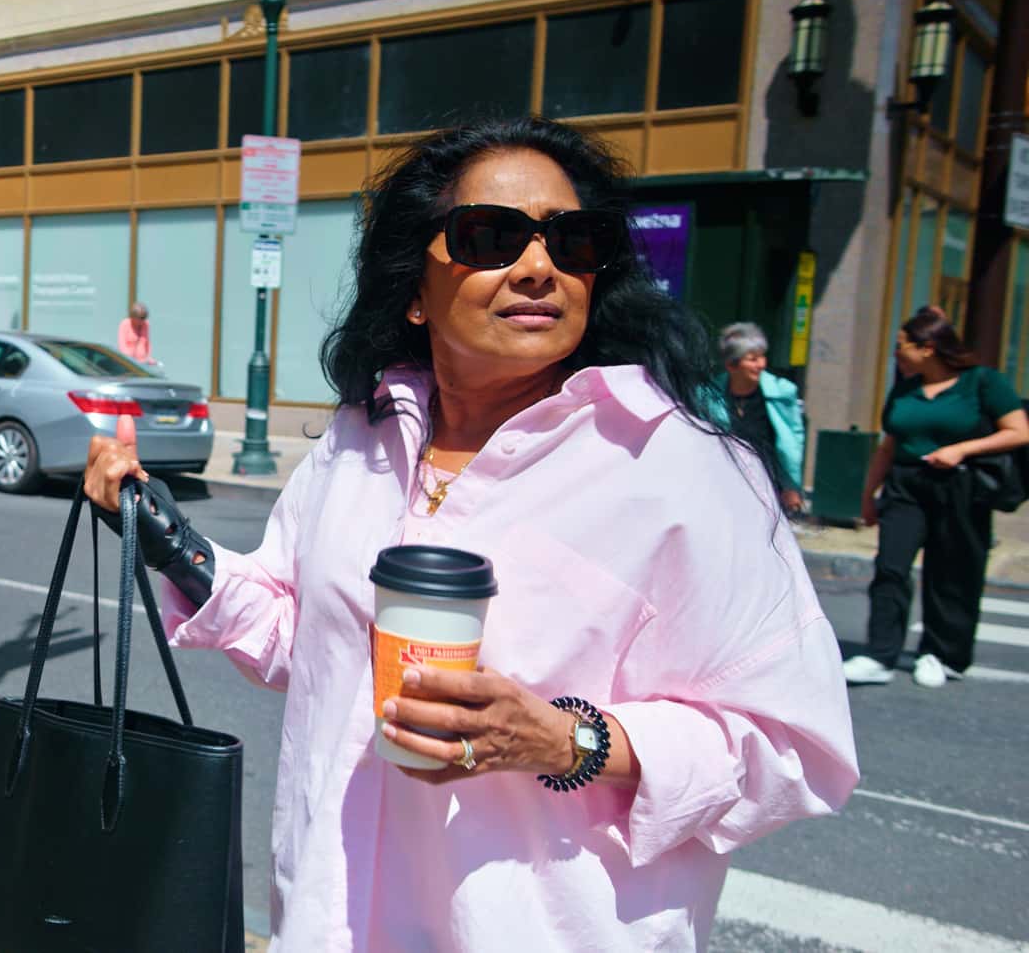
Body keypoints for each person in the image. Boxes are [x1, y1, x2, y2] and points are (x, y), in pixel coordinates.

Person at [83, 117, 857, 950]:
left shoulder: (679, 470)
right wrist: (164, 537)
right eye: (490, 236)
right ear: (414, 288)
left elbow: (794, 748)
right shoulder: (362, 442)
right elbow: (309, 644)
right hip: (333, 921)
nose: (536, 268)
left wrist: (565, 739)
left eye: (573, 242)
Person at [845, 306, 1029, 688]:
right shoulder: (905, 389)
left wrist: (962, 449)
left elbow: (1018, 431)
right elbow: (889, 445)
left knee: (952, 572)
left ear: (927, 347)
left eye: (901, 346)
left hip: (959, 485)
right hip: (905, 484)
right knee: (891, 567)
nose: (896, 353)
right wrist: (868, 494)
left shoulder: (983, 382)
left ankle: (941, 655)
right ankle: (880, 654)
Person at [709, 322, 806, 512]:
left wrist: (791, 486)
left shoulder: (782, 392)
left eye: (762, 357)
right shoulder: (710, 396)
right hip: (723, 484)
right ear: (731, 365)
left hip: (768, 485)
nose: (760, 364)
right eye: (753, 359)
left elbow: (792, 444)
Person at [116, 301, 157, 367]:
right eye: (141, 318)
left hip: (143, 363)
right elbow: (122, 346)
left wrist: (149, 357)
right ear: (133, 316)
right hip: (129, 363)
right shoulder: (125, 324)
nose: (143, 320)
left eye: (145, 317)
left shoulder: (146, 324)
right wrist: (132, 360)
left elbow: (147, 343)